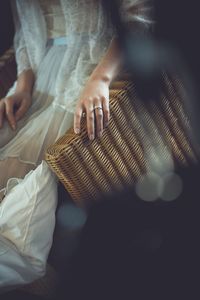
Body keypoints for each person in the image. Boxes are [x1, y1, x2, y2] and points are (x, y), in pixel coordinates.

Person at [0, 0, 152, 290]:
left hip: (97, 66)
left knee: (26, 199)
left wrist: (102, 78)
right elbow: (26, 29)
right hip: (41, 77)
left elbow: (139, 12)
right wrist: (22, 84)